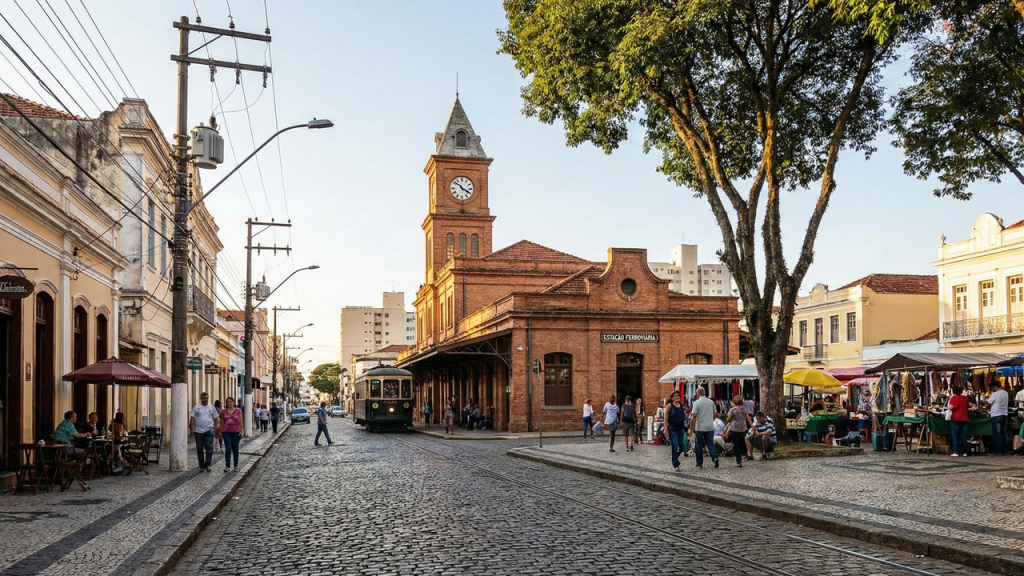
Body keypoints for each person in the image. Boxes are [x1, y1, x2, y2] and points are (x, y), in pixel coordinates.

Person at [189, 392, 221, 472]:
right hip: (198, 431)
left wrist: (215, 428)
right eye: (204, 398)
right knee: (199, 448)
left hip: (209, 430)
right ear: (200, 398)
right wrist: (191, 430)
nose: (205, 399)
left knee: (208, 447)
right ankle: (201, 465)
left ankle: (208, 464)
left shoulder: (211, 407)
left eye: (207, 398)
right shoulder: (196, 407)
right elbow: (192, 418)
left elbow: (216, 418)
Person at [690, 387, 719, 469]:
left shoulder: (696, 403)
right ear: (704, 392)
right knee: (710, 443)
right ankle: (715, 458)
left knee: (699, 445)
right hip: (709, 426)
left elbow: (694, 416)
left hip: (699, 426)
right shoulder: (711, 402)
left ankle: (699, 464)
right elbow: (715, 413)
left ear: (697, 393)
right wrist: (711, 420)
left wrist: (692, 428)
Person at [724, 395, 752, 467]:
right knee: (742, 443)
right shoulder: (744, 409)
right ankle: (745, 454)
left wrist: (728, 417)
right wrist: (752, 426)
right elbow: (748, 418)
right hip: (742, 429)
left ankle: (739, 461)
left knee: (736, 445)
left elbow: (728, 420)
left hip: (734, 429)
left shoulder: (732, 410)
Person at [664, 391, 689, 471]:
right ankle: (676, 465)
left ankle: (675, 457)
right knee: (675, 446)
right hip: (672, 428)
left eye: (678, 395)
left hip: (680, 428)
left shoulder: (682, 406)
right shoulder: (670, 406)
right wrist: (665, 428)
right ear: (672, 398)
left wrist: (685, 424)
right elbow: (666, 417)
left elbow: (684, 416)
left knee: (682, 446)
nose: (677, 397)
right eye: (675, 396)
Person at [948, 386, 974, 457]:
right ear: (961, 391)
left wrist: (948, 407)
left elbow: (950, 407)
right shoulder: (965, 398)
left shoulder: (953, 398)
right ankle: (964, 452)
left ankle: (956, 452)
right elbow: (970, 405)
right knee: (964, 436)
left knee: (955, 436)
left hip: (955, 419)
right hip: (964, 419)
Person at [220, 397, 243, 472]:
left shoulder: (238, 411)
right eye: (227, 402)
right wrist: (220, 432)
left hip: (236, 432)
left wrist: (241, 431)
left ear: (233, 402)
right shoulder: (223, 411)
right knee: (228, 449)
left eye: (230, 401)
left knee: (235, 449)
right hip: (226, 432)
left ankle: (235, 465)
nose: (229, 403)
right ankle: (227, 466)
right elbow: (222, 422)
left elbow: (240, 421)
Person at [987, 383, 1009, 455]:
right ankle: (1005, 450)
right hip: (1004, 414)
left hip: (996, 415)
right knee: (1004, 433)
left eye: (992, 388)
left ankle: (998, 451)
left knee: (997, 434)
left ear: (995, 387)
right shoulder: (1006, 393)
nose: (992, 390)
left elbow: (989, 402)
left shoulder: (995, 394)